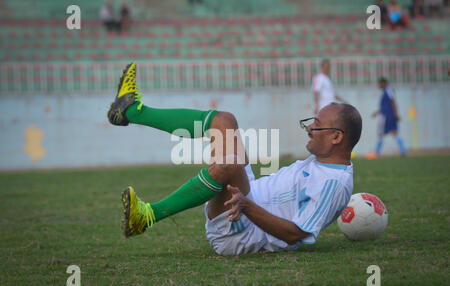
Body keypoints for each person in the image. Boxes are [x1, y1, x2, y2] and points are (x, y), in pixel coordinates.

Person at [107, 63, 362, 255]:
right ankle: (131, 111)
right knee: (224, 120)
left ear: (337, 137)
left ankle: (146, 216)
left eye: (316, 125)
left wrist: (247, 206)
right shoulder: (325, 162)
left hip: (241, 231)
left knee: (229, 162)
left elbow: (296, 234)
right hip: (246, 200)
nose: (309, 128)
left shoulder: (334, 183)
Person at [367, 77, 406, 159]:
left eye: (379, 83)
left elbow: (393, 102)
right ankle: (403, 151)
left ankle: (376, 153)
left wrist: (396, 114)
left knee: (381, 133)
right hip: (388, 114)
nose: (379, 85)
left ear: (383, 83)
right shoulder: (386, 91)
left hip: (386, 116)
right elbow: (387, 105)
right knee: (394, 132)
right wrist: (377, 112)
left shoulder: (388, 90)